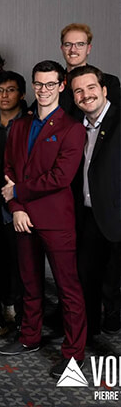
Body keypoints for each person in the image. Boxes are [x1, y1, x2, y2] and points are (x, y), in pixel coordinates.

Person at [0, 60, 87, 379]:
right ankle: (29, 337)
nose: (43, 90)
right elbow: (8, 170)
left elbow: (61, 177)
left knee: (67, 288)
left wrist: (18, 191)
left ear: (61, 86)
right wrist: (16, 207)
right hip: (23, 217)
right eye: (38, 84)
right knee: (30, 283)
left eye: (50, 84)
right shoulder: (19, 125)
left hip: (56, 220)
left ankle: (74, 354)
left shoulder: (72, 129)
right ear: (32, 86)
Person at [69, 65, 121, 338]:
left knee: (115, 282)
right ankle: (89, 334)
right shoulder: (76, 125)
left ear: (104, 90)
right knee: (87, 277)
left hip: (117, 214)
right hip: (88, 215)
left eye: (91, 88)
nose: (85, 95)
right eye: (78, 91)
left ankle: (112, 321)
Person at [0, 71, 27, 327]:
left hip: (20, 201)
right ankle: (0, 307)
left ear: (21, 95)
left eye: (11, 90)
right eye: (0, 90)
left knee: (20, 260)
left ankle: (20, 312)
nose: (5, 95)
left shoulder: (31, 124)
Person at [59, 23, 120, 114]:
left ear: (88, 48)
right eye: (68, 44)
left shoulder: (109, 82)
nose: (73, 50)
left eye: (80, 44)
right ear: (62, 48)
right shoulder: (53, 84)